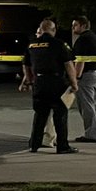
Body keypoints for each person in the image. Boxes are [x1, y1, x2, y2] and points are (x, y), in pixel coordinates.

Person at [19, 18, 80, 153]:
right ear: (53, 30)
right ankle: (63, 146)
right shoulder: (59, 44)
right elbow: (68, 65)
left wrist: (29, 81)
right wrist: (74, 83)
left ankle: (34, 145)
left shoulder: (32, 45)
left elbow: (26, 66)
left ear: (41, 29)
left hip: (39, 83)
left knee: (40, 115)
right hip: (56, 83)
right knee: (60, 115)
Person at [70, 16, 96, 143]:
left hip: (86, 76)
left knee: (87, 107)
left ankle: (91, 134)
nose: (73, 28)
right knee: (95, 106)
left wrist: (76, 77)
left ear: (83, 26)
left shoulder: (82, 40)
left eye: (75, 25)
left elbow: (80, 60)